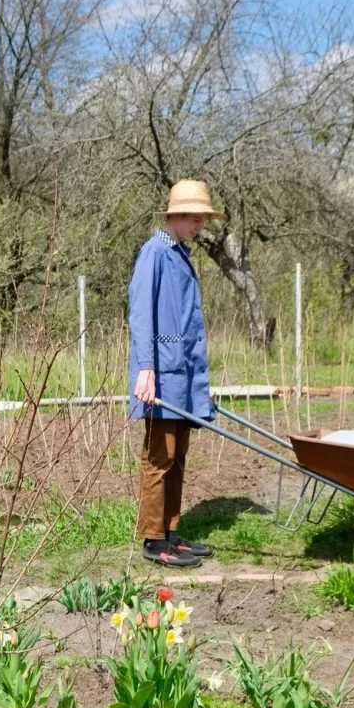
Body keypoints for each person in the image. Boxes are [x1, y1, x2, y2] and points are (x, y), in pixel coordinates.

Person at [128, 179, 220, 568]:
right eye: (193, 217)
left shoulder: (180, 253)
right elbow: (141, 313)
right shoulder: (155, 252)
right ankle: (152, 540)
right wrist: (146, 368)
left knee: (177, 455)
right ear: (175, 216)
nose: (199, 224)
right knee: (159, 457)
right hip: (161, 374)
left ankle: (171, 532)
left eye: (202, 218)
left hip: (182, 375)